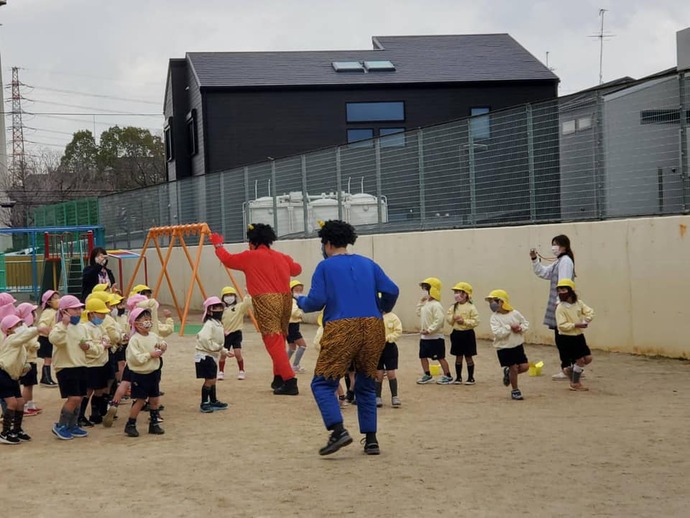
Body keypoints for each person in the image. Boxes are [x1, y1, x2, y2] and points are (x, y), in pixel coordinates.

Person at [296, 220, 399, 456]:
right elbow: (392, 289)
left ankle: (338, 430)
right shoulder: (368, 264)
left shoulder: (325, 267)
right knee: (365, 382)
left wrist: (299, 300)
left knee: (322, 383)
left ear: (328, 243)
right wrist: (381, 308)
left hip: (342, 326)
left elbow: (316, 301)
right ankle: (371, 440)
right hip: (374, 326)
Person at [211, 223, 301, 396]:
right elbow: (297, 269)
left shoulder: (250, 256)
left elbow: (227, 259)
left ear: (252, 242)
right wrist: (288, 260)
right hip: (285, 300)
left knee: (272, 342)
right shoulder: (281, 256)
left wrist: (218, 245)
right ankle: (279, 377)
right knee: (279, 338)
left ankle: (290, 380)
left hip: (266, 301)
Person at [48, 295, 94, 440]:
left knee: (80, 397)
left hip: (81, 365)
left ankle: (73, 425)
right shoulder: (59, 327)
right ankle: (61, 425)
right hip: (66, 367)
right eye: (74, 309)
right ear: (64, 311)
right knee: (73, 398)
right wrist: (64, 325)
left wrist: (87, 346)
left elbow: (89, 343)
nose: (79, 311)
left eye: (79, 308)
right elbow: (55, 340)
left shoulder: (82, 327)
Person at [530, 234, 575, 380]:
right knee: (565, 337)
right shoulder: (559, 261)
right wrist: (534, 260)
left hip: (561, 304)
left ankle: (567, 367)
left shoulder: (565, 262)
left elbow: (564, 284)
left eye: (556, 244)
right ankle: (573, 366)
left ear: (564, 246)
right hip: (559, 302)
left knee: (562, 338)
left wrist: (559, 303)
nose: (553, 247)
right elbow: (543, 273)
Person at [124, 308, 165, 437]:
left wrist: (163, 346)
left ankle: (154, 424)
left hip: (153, 372)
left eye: (149, 319)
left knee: (154, 398)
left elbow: (161, 342)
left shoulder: (153, 336)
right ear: (136, 324)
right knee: (140, 400)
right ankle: (131, 424)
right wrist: (150, 355)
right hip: (140, 374)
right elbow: (135, 358)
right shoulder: (134, 340)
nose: (148, 322)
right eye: (144, 320)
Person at [0, 315, 39, 444]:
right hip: (3, 374)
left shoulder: (19, 344)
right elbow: (25, 336)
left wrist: (25, 366)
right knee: (12, 403)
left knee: (21, 402)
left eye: (21, 324)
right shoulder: (11, 339)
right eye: (17, 325)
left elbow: (20, 359)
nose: (21, 327)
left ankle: (17, 429)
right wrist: (38, 330)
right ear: (9, 330)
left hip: (12, 376)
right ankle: (5, 432)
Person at [485, 289, 530, 400]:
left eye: (494, 301)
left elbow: (525, 323)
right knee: (514, 368)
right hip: (504, 348)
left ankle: (508, 373)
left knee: (525, 367)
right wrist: (510, 327)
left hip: (517, 345)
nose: (492, 304)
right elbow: (498, 333)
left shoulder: (515, 313)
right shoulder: (494, 318)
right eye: (490, 302)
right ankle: (515, 390)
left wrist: (520, 328)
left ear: (502, 301)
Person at [554, 279, 594, 391]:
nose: (561, 292)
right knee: (580, 360)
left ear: (571, 291)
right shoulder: (560, 308)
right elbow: (561, 325)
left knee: (588, 358)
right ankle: (575, 383)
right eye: (559, 290)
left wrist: (586, 320)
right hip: (566, 338)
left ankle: (570, 370)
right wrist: (575, 325)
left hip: (578, 336)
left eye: (564, 289)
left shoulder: (578, 303)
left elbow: (589, 311)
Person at [79, 298, 113, 427]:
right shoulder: (84, 328)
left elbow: (106, 338)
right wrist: (101, 346)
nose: (103, 316)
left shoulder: (99, 326)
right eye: (101, 313)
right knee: (88, 390)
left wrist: (104, 343)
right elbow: (86, 346)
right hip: (90, 364)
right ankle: (80, 415)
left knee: (99, 389)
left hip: (102, 362)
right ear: (91, 313)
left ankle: (95, 413)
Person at [196, 297, 231, 413]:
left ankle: (213, 400)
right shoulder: (209, 324)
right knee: (209, 380)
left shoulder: (217, 324)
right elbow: (205, 339)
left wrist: (224, 351)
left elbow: (218, 342)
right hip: (205, 355)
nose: (219, 310)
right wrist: (218, 348)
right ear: (209, 310)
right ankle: (204, 403)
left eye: (220, 307)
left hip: (211, 355)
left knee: (213, 379)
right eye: (216, 307)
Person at [416, 278, 453, 385]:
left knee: (440, 357)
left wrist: (430, 330)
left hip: (435, 337)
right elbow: (419, 313)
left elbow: (439, 320)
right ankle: (427, 375)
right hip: (424, 338)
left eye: (426, 288)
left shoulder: (436, 305)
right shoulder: (425, 304)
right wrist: (420, 302)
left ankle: (448, 375)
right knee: (422, 356)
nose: (424, 291)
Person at [446, 282, 480, 385]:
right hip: (457, 334)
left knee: (468, 356)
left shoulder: (471, 307)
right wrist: (453, 318)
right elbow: (448, 318)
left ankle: (470, 377)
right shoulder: (453, 307)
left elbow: (476, 321)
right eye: (455, 292)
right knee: (458, 356)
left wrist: (464, 321)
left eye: (458, 292)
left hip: (468, 334)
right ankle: (458, 377)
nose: (456, 294)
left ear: (465, 294)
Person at [218, 286, 251, 381]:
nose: (229, 297)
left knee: (237, 353)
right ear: (223, 297)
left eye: (231, 295)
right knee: (223, 354)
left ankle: (241, 371)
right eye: (226, 295)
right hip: (225, 334)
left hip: (236, 333)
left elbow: (247, 304)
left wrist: (248, 294)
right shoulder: (221, 310)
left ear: (235, 297)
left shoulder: (239, 307)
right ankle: (221, 372)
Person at [15, 303, 42, 416]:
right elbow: (31, 344)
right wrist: (37, 343)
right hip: (27, 360)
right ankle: (24, 406)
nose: (34, 314)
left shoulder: (27, 327)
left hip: (32, 359)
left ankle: (30, 404)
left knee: (30, 384)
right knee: (27, 384)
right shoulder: (23, 328)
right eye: (32, 312)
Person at [376, 309, 403, 408]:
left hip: (389, 347)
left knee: (391, 372)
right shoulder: (375, 316)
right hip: (377, 347)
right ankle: (377, 396)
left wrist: (387, 338)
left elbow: (398, 331)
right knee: (378, 372)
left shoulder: (393, 317)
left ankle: (394, 396)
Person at [36, 290, 60, 387]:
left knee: (50, 358)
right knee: (48, 359)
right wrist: (45, 329)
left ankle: (46, 378)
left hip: (51, 338)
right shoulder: (48, 312)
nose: (58, 300)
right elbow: (42, 323)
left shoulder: (56, 311)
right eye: (55, 298)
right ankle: (46, 378)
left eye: (58, 297)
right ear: (48, 302)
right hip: (46, 339)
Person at [287, 280, 308, 373]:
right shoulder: (292, 301)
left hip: (289, 325)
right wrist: (301, 313)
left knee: (292, 347)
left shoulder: (292, 300)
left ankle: (283, 365)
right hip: (292, 326)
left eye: (300, 290)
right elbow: (294, 312)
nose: (299, 292)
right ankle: (295, 365)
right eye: (296, 290)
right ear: (291, 291)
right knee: (303, 346)